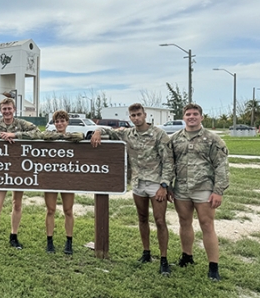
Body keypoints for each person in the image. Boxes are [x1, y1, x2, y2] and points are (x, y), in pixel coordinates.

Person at [91, 103, 173, 276]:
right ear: (130, 117)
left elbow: (168, 161)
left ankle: (164, 259)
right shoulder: (128, 134)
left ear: (145, 115)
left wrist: (164, 186)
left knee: (159, 221)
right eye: (133, 115)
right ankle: (146, 252)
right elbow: (109, 131)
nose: (136, 118)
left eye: (138, 114)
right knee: (142, 218)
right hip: (138, 183)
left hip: (156, 184)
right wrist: (98, 131)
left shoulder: (159, 135)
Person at [0, 97, 41, 259]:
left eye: (9, 108)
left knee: (17, 204)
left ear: (14, 109)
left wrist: (15, 134)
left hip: (19, 169)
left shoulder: (22, 123)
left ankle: (14, 236)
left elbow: (37, 132)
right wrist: (1, 136)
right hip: (0, 169)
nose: (7, 111)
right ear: (0, 110)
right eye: (4, 109)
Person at [169, 103, 229, 282]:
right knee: (184, 223)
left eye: (195, 114)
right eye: (188, 114)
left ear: (202, 117)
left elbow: (221, 166)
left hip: (204, 188)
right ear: (184, 117)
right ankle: (187, 257)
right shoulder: (174, 139)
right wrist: (169, 186)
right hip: (182, 188)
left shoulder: (213, 139)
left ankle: (213, 267)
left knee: (207, 225)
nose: (192, 117)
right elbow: (168, 163)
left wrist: (218, 191)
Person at [41, 110, 84, 255]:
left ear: (67, 122)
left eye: (62, 121)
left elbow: (80, 136)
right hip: (51, 179)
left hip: (67, 179)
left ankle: (69, 242)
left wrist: (65, 137)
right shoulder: (49, 136)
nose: (59, 124)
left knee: (68, 210)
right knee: (51, 210)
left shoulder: (72, 138)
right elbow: (43, 135)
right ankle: (49, 241)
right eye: (57, 121)